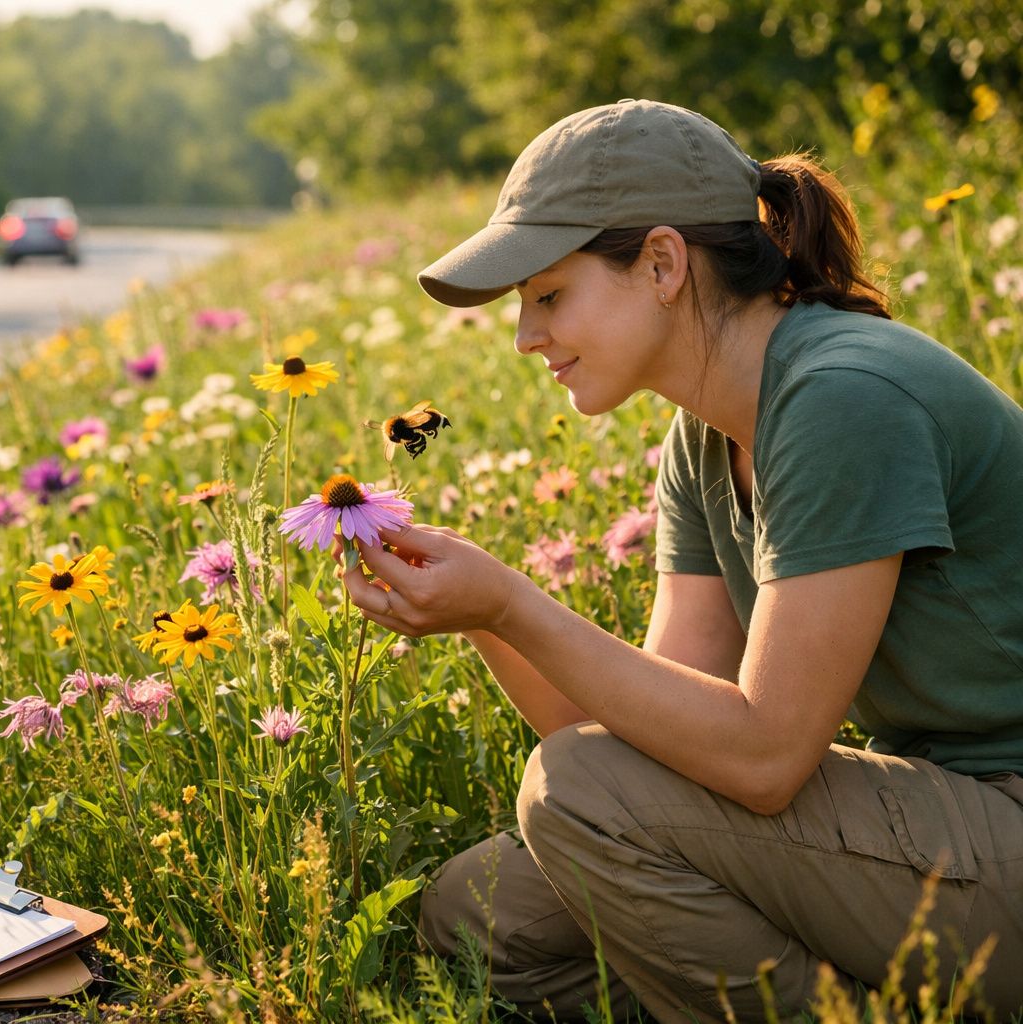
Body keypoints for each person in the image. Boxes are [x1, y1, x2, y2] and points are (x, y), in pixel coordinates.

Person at [339, 99, 1023, 1021]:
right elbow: (635, 738)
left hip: (1006, 821)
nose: (525, 337)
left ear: (662, 263)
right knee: (485, 914)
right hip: (942, 823)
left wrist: (512, 605)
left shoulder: (841, 398)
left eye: (548, 294)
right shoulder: (705, 439)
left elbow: (765, 757)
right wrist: (481, 616)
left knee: (578, 798)